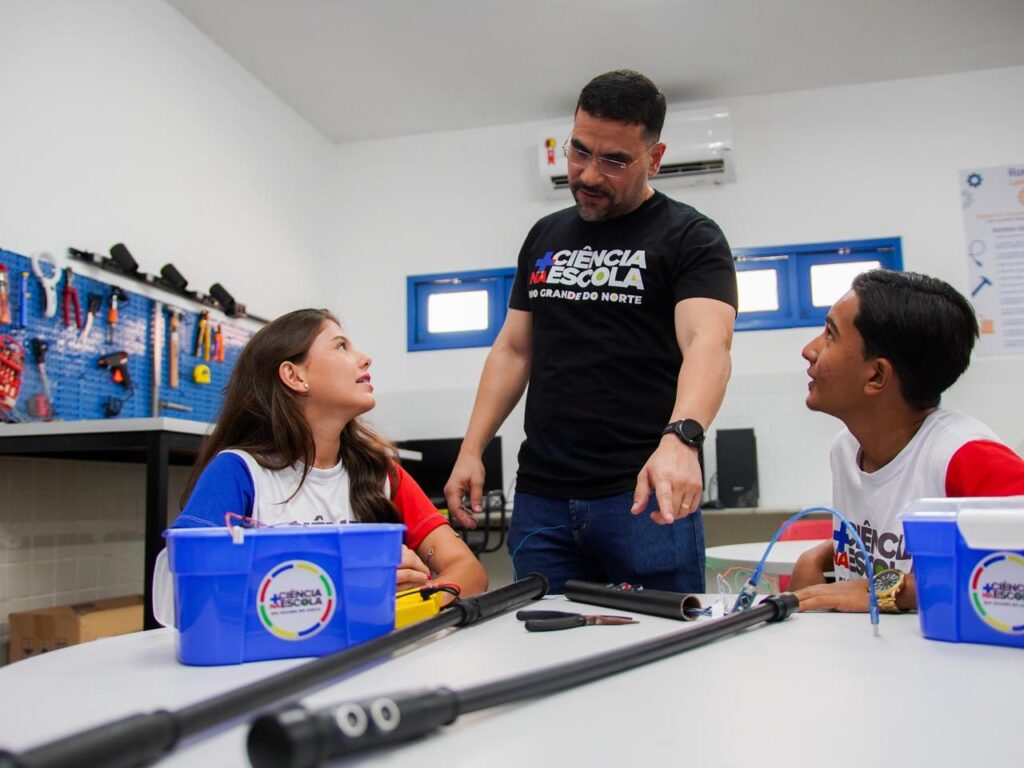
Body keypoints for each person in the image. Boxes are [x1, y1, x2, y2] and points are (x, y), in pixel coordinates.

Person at [445, 70, 737, 593]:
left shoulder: (691, 236)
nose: (589, 175)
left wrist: (683, 439)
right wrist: (472, 449)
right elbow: (513, 349)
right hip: (541, 501)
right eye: (579, 152)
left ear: (655, 157)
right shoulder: (546, 235)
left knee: (661, 656)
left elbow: (707, 343)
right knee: (545, 651)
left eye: (615, 161)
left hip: (645, 498)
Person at [165, 308, 487, 608]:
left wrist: (413, 602)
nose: (364, 359)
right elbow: (184, 587)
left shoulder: (381, 474)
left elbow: (469, 571)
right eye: (341, 346)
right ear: (294, 376)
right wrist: (346, 590)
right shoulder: (239, 472)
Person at [790, 270, 1024, 612]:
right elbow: (892, 541)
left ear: (876, 375)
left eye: (830, 335)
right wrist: (817, 556)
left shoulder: (965, 455)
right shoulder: (846, 449)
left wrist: (891, 591)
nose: (809, 350)